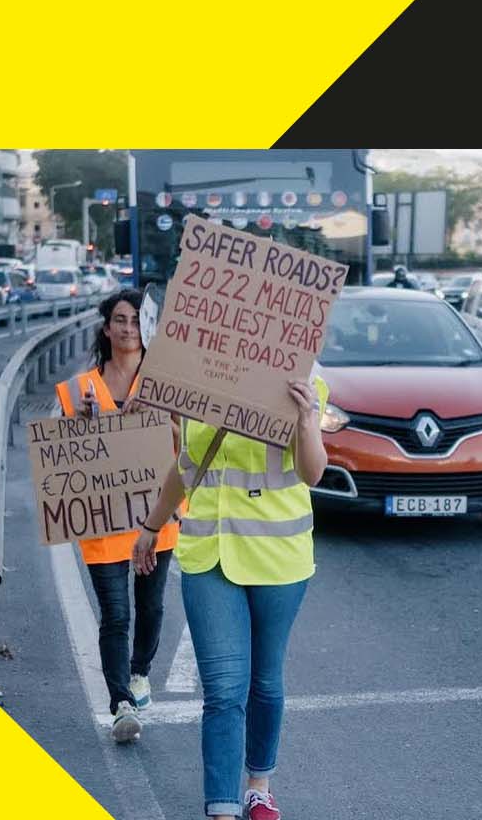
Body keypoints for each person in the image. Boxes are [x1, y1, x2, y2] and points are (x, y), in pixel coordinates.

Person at [133, 371, 329, 819]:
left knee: (265, 680)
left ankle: (258, 784)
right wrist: (151, 525)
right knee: (223, 689)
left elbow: (313, 471)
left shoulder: (305, 383)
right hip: (209, 555)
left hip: (279, 558)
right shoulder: (199, 378)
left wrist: (305, 420)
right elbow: (187, 465)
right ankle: (222, 808)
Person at [55, 289, 179, 743]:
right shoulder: (80, 390)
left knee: (151, 606)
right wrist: (81, 426)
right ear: (107, 328)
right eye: (120, 321)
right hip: (103, 520)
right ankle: (121, 702)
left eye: (135, 321)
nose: (128, 329)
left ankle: (141, 670)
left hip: (156, 514)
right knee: (115, 614)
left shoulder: (166, 385)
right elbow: (68, 462)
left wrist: (164, 417)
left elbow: (187, 448)